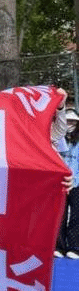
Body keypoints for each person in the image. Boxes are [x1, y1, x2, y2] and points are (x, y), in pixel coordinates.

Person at [56, 108, 79, 259]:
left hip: (77, 183)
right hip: (60, 184)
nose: (70, 124)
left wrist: (75, 180)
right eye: (68, 121)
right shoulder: (58, 140)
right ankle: (59, 246)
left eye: (73, 122)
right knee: (60, 215)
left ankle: (74, 247)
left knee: (76, 215)